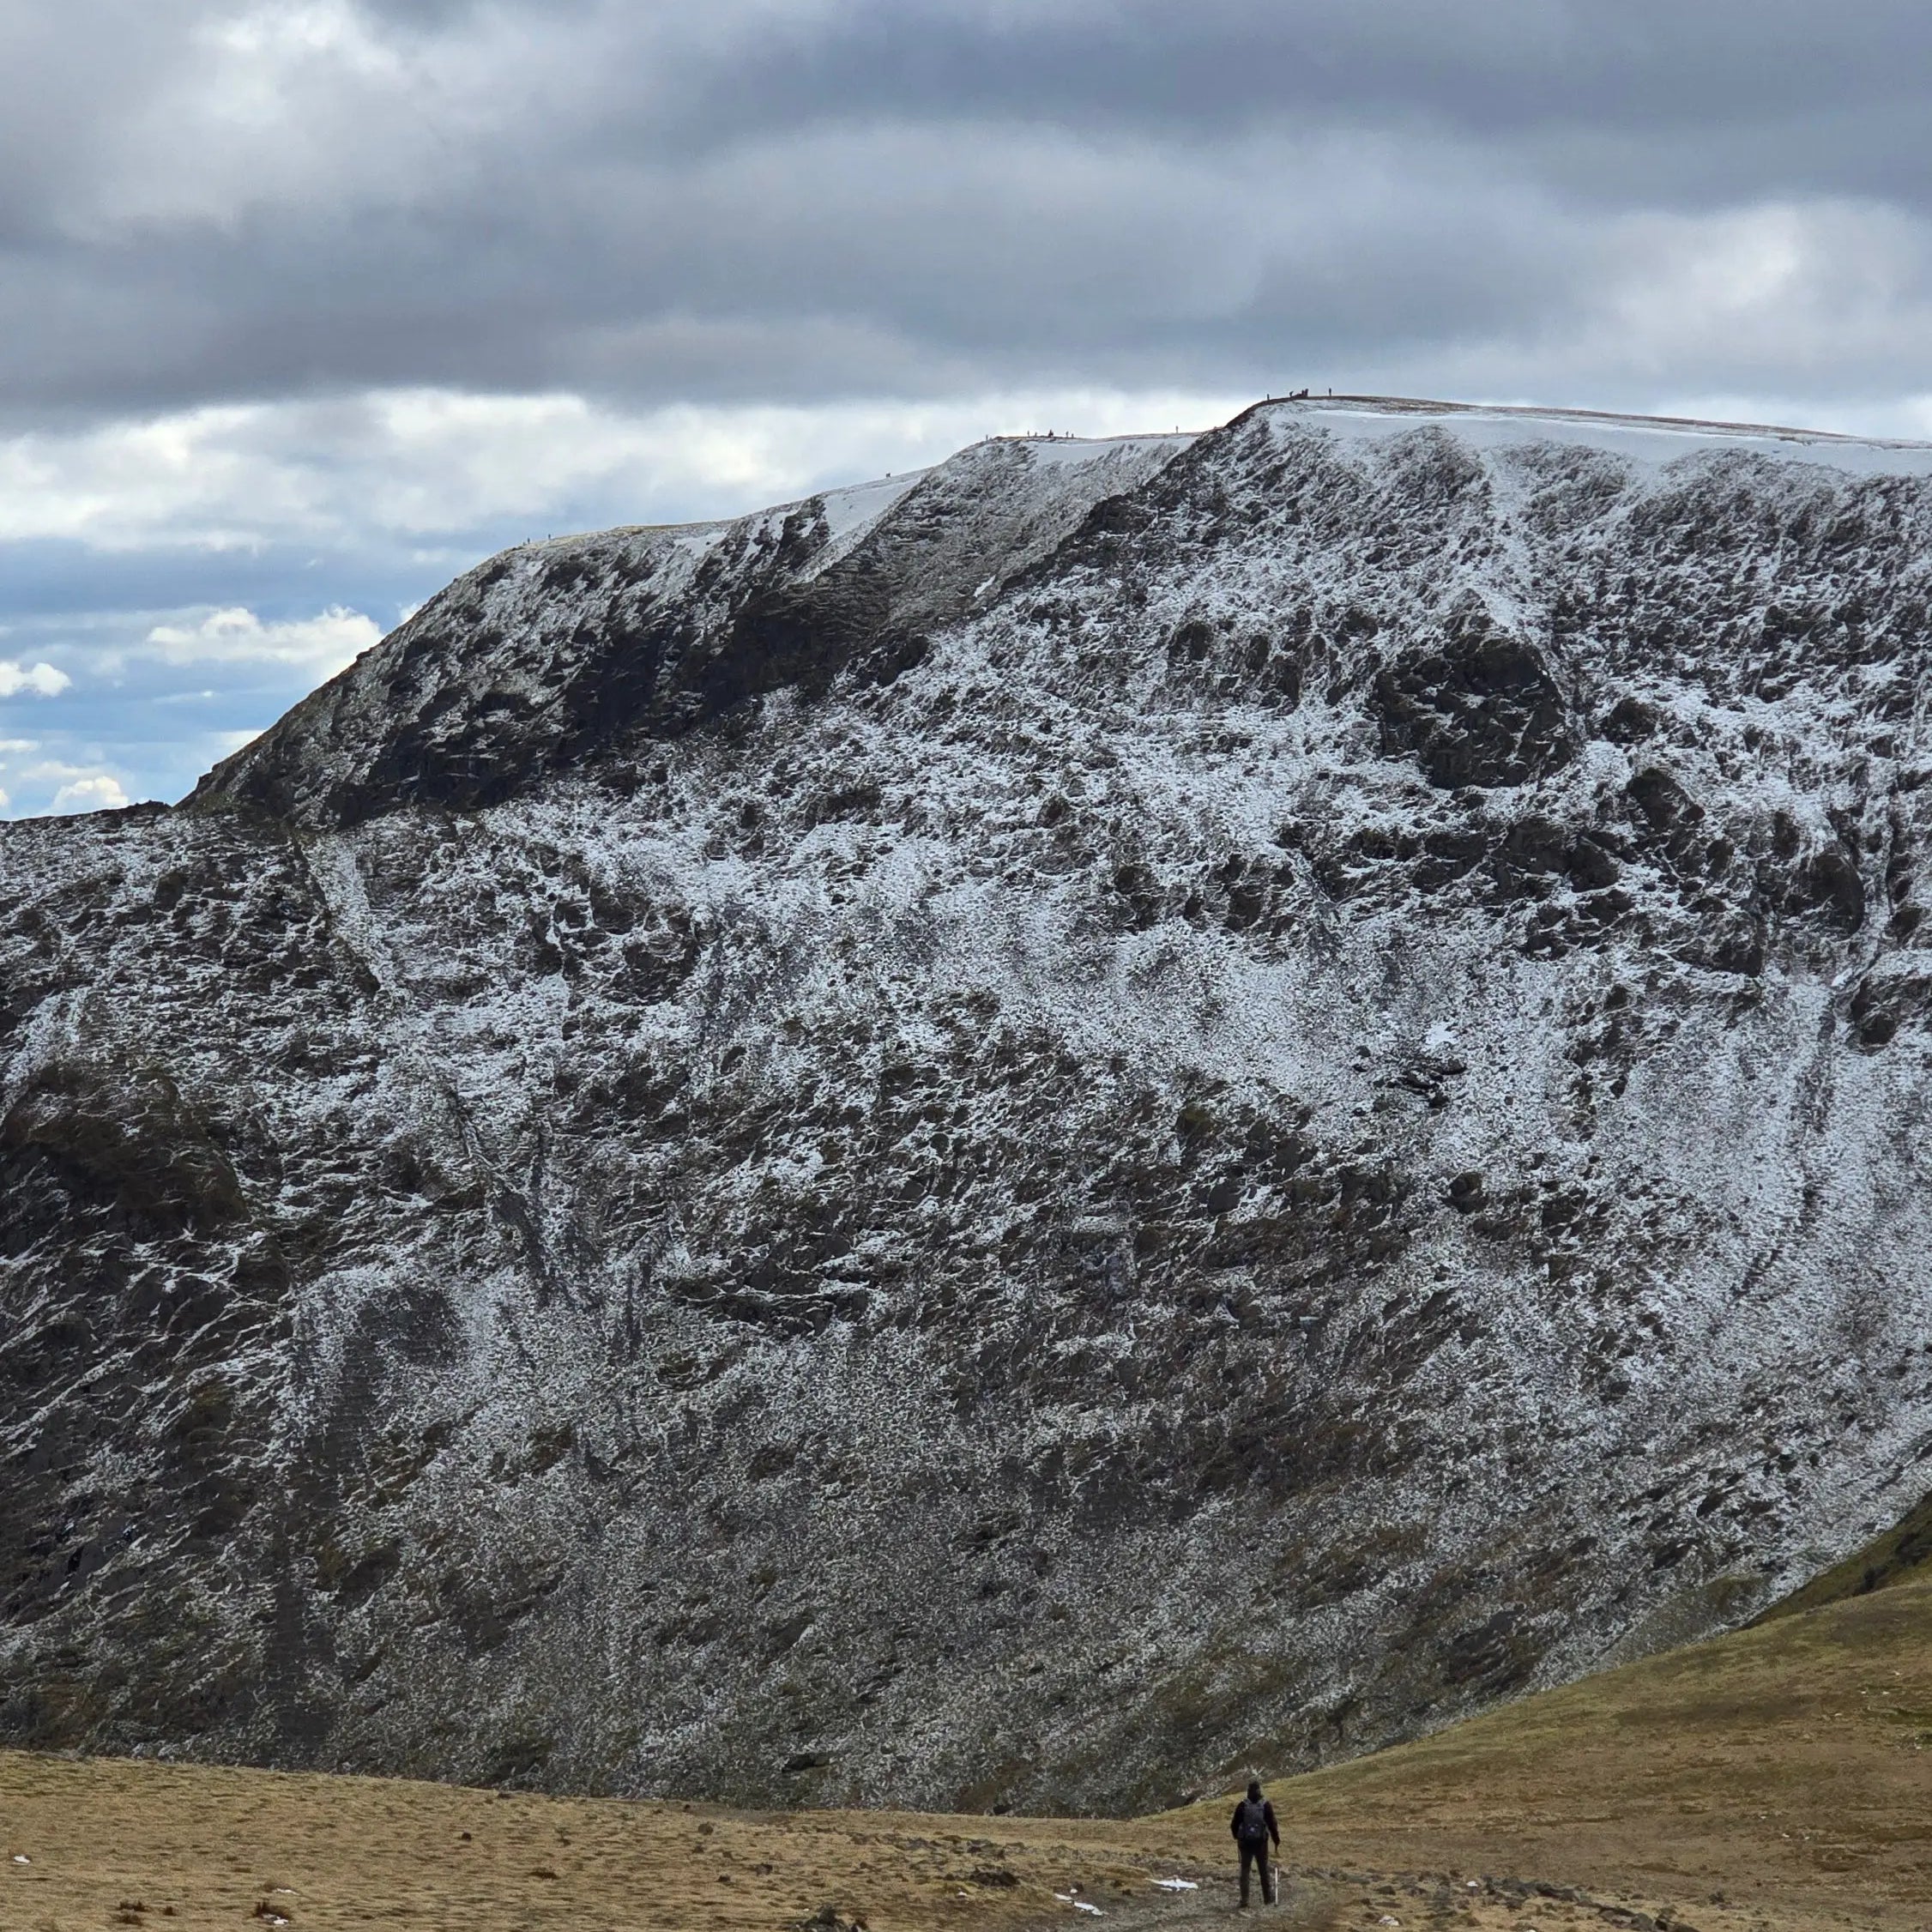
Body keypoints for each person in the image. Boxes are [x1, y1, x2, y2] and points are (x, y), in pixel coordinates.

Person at [1229, 1778, 1279, 1907]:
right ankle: (1268, 1899)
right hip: (1261, 1843)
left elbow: (1234, 1824)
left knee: (1245, 1871)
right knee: (1263, 1871)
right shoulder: (1265, 1805)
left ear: (1248, 1791)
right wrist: (1276, 1839)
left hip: (1245, 1844)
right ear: (1259, 1791)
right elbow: (1272, 1824)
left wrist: (1238, 1837)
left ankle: (1244, 1900)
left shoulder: (1242, 1805)